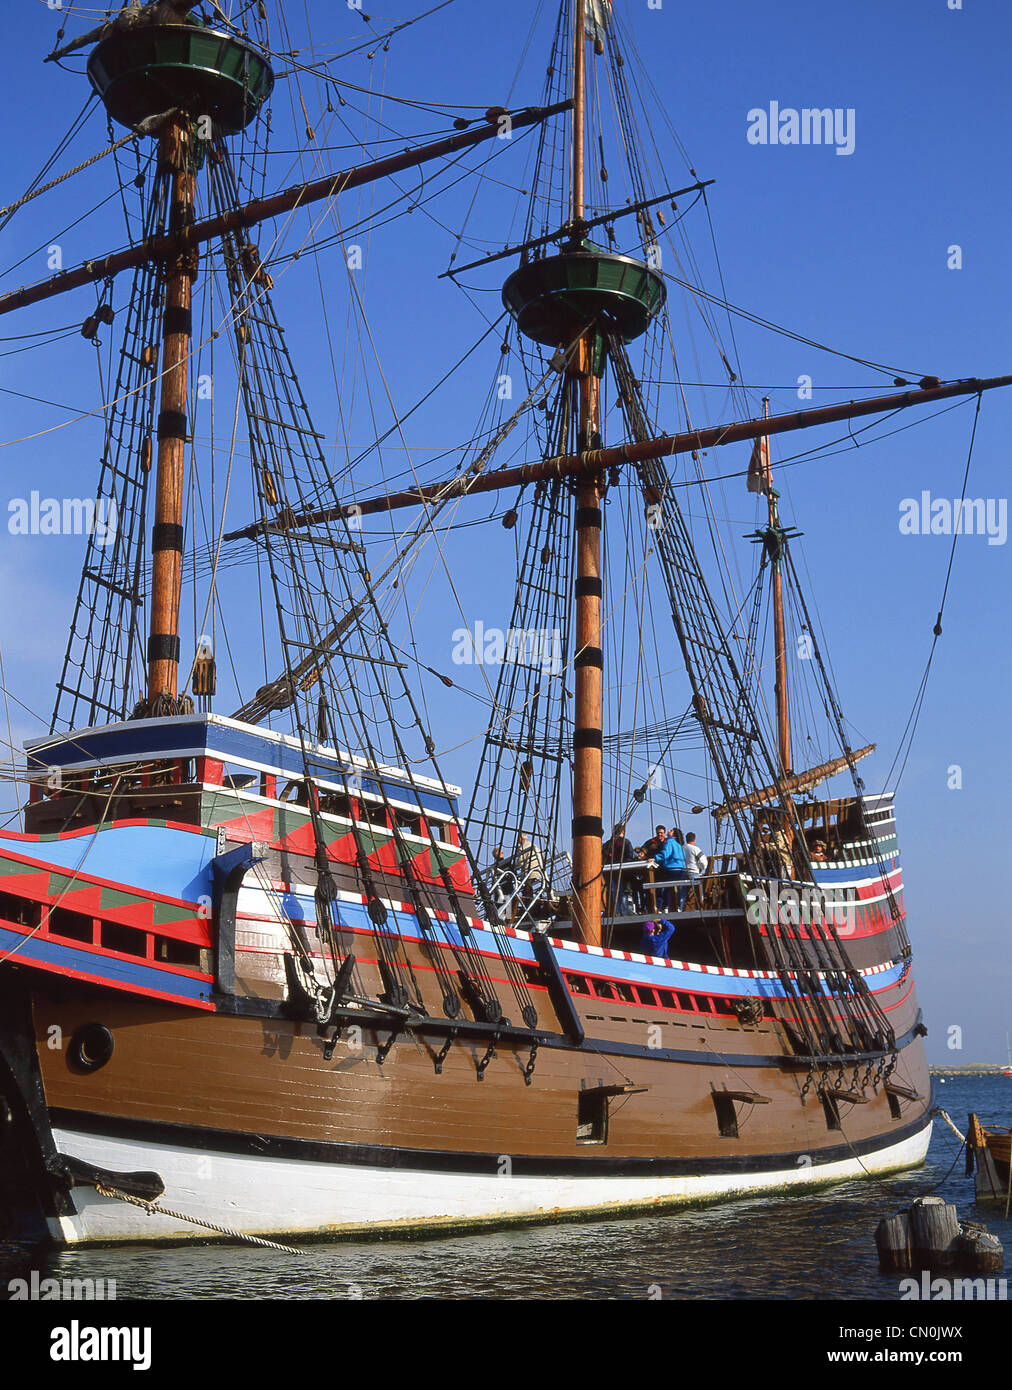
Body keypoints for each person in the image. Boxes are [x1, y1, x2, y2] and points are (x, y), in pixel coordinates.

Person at [602, 823, 641, 913]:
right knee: (625, 891)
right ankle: (625, 910)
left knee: (614, 891)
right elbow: (629, 856)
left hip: (611, 870)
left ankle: (617, 911)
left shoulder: (608, 844)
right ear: (623, 831)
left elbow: (605, 855)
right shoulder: (626, 842)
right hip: (624, 871)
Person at [654, 826, 689, 910]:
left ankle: (666, 907)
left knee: (667, 889)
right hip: (681, 869)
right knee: (678, 889)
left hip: (671, 869)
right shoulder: (679, 844)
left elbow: (665, 853)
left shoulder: (670, 842)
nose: (669, 831)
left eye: (671, 830)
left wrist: (655, 858)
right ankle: (679, 907)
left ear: (673, 834)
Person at [512, 833, 546, 904]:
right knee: (533, 885)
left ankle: (529, 902)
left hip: (529, 872)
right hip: (538, 871)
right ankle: (538, 897)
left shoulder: (522, 848)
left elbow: (520, 863)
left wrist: (514, 867)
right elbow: (543, 857)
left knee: (526, 887)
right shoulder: (533, 845)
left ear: (520, 839)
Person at [684, 831, 708, 908]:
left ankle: (680, 908)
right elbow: (703, 862)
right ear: (694, 840)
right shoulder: (695, 849)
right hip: (693, 872)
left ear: (686, 839)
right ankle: (699, 908)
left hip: (683, 873)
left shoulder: (682, 848)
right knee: (698, 894)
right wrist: (700, 868)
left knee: (683, 893)